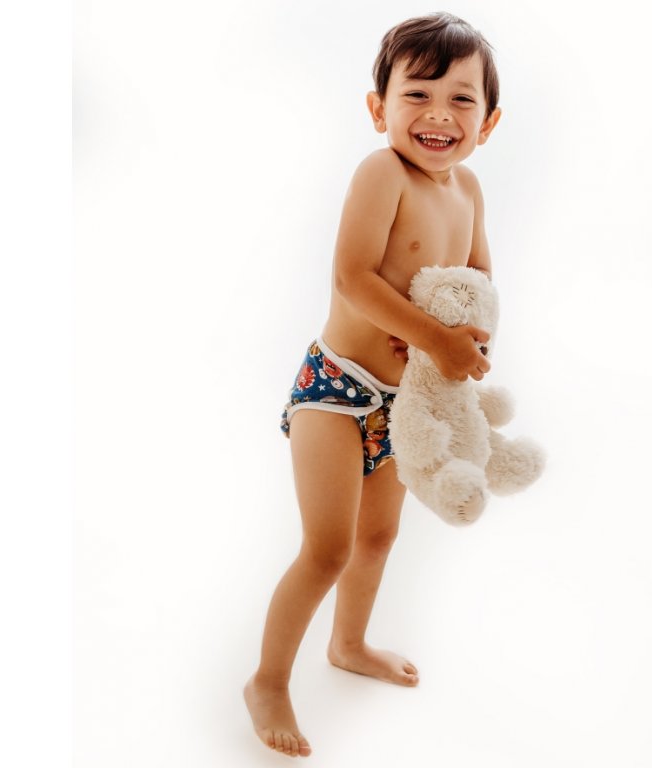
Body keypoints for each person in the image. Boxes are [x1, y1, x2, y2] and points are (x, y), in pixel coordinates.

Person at [244, 12, 503, 758]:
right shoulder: (381, 173)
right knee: (327, 547)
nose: (438, 115)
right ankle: (267, 680)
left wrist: (470, 340)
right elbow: (353, 277)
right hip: (335, 388)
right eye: (417, 94)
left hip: (403, 402)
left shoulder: (469, 190)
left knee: (379, 536)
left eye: (461, 99)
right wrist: (432, 337)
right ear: (377, 108)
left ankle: (349, 644)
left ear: (488, 122)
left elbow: (480, 278)